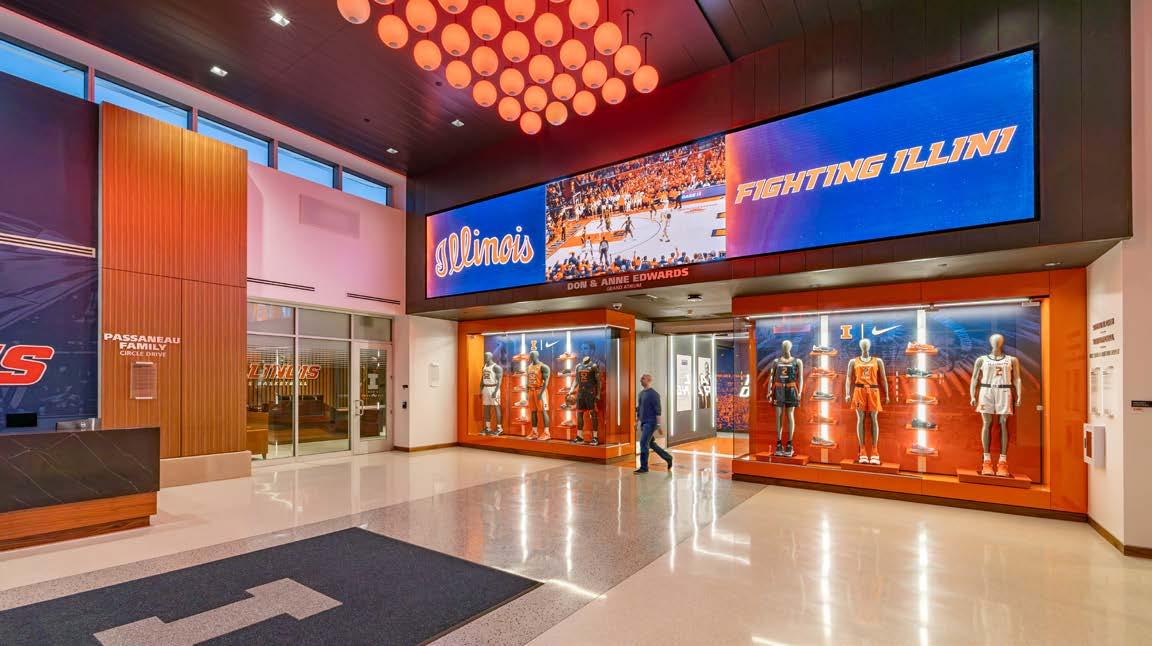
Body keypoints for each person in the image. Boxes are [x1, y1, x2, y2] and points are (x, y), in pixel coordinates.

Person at [635, 373, 673, 474]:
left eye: (643, 378)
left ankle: (644, 468)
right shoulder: (641, 394)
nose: (641, 380)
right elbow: (639, 409)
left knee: (643, 443)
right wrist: (636, 422)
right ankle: (668, 458)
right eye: (641, 378)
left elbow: (658, 411)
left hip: (651, 423)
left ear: (649, 380)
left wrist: (659, 425)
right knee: (650, 443)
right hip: (644, 423)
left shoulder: (654, 394)